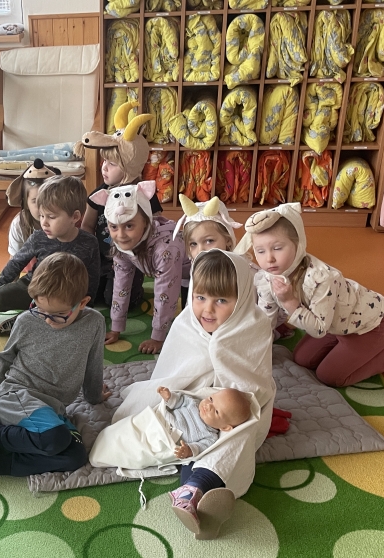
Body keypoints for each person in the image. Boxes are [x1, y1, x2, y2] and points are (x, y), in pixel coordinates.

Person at [109, 250, 276, 539]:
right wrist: (185, 396)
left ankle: (194, 488)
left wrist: (227, 399)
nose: (207, 310)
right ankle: (195, 491)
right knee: (172, 430)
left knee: (240, 432)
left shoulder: (254, 325)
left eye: (221, 300)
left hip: (230, 412)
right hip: (190, 405)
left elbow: (254, 386)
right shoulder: (186, 322)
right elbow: (174, 372)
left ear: (242, 299)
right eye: (200, 297)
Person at [0, 253, 110, 478]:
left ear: (82, 303)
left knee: (76, 456)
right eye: (40, 309)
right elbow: (4, 360)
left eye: (59, 315)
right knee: (55, 439)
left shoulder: (94, 322)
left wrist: (94, 396)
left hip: (52, 409)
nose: (47, 320)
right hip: (18, 395)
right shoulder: (26, 320)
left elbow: (93, 364)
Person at [238, 202, 384, 387]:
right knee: (302, 359)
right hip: (335, 323)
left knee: (330, 376)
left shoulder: (321, 278)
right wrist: (254, 353)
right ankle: (347, 348)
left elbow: (318, 330)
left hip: (372, 324)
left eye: (277, 248)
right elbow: (265, 320)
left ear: (298, 244)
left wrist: (290, 302)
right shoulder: (267, 278)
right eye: (260, 251)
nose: (269, 258)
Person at [0, 175, 100, 336]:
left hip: (66, 293)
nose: (44, 222)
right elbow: (16, 263)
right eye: (41, 215)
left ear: (75, 217)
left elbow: (93, 276)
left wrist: (88, 305)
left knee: (65, 319)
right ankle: (0, 311)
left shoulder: (89, 242)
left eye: (51, 217)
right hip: (33, 286)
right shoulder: (38, 237)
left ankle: (25, 319)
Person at [77, 101, 159, 310]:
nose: (104, 167)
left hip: (132, 259)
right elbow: (87, 225)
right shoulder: (100, 194)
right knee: (91, 295)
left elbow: (156, 225)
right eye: (104, 161)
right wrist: (90, 254)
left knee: (123, 302)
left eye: (112, 164)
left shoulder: (143, 194)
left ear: (130, 166)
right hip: (102, 259)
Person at [92, 180, 182, 355]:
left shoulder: (165, 250)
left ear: (146, 222)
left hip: (193, 275)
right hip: (163, 270)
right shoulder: (121, 246)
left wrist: (158, 337)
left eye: (129, 226)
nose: (121, 235)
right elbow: (121, 285)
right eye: (113, 227)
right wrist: (116, 327)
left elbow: (166, 294)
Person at [158, 386, 251, 537]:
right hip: (164, 425)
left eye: (216, 411)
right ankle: (194, 503)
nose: (208, 405)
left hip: (184, 452)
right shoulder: (194, 403)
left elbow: (200, 447)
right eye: (211, 399)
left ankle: (188, 499)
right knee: (194, 471)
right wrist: (169, 397)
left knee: (192, 467)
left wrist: (188, 450)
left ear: (225, 427)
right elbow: (180, 400)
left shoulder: (211, 436)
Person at [172, 195, 243, 309]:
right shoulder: (196, 265)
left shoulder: (239, 271)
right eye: (193, 244)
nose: (200, 251)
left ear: (228, 240)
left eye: (209, 241)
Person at [5, 158, 61, 256]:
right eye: (35, 201)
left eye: (48, 199)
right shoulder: (19, 225)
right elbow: (14, 259)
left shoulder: (64, 220)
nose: (43, 207)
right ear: (26, 203)